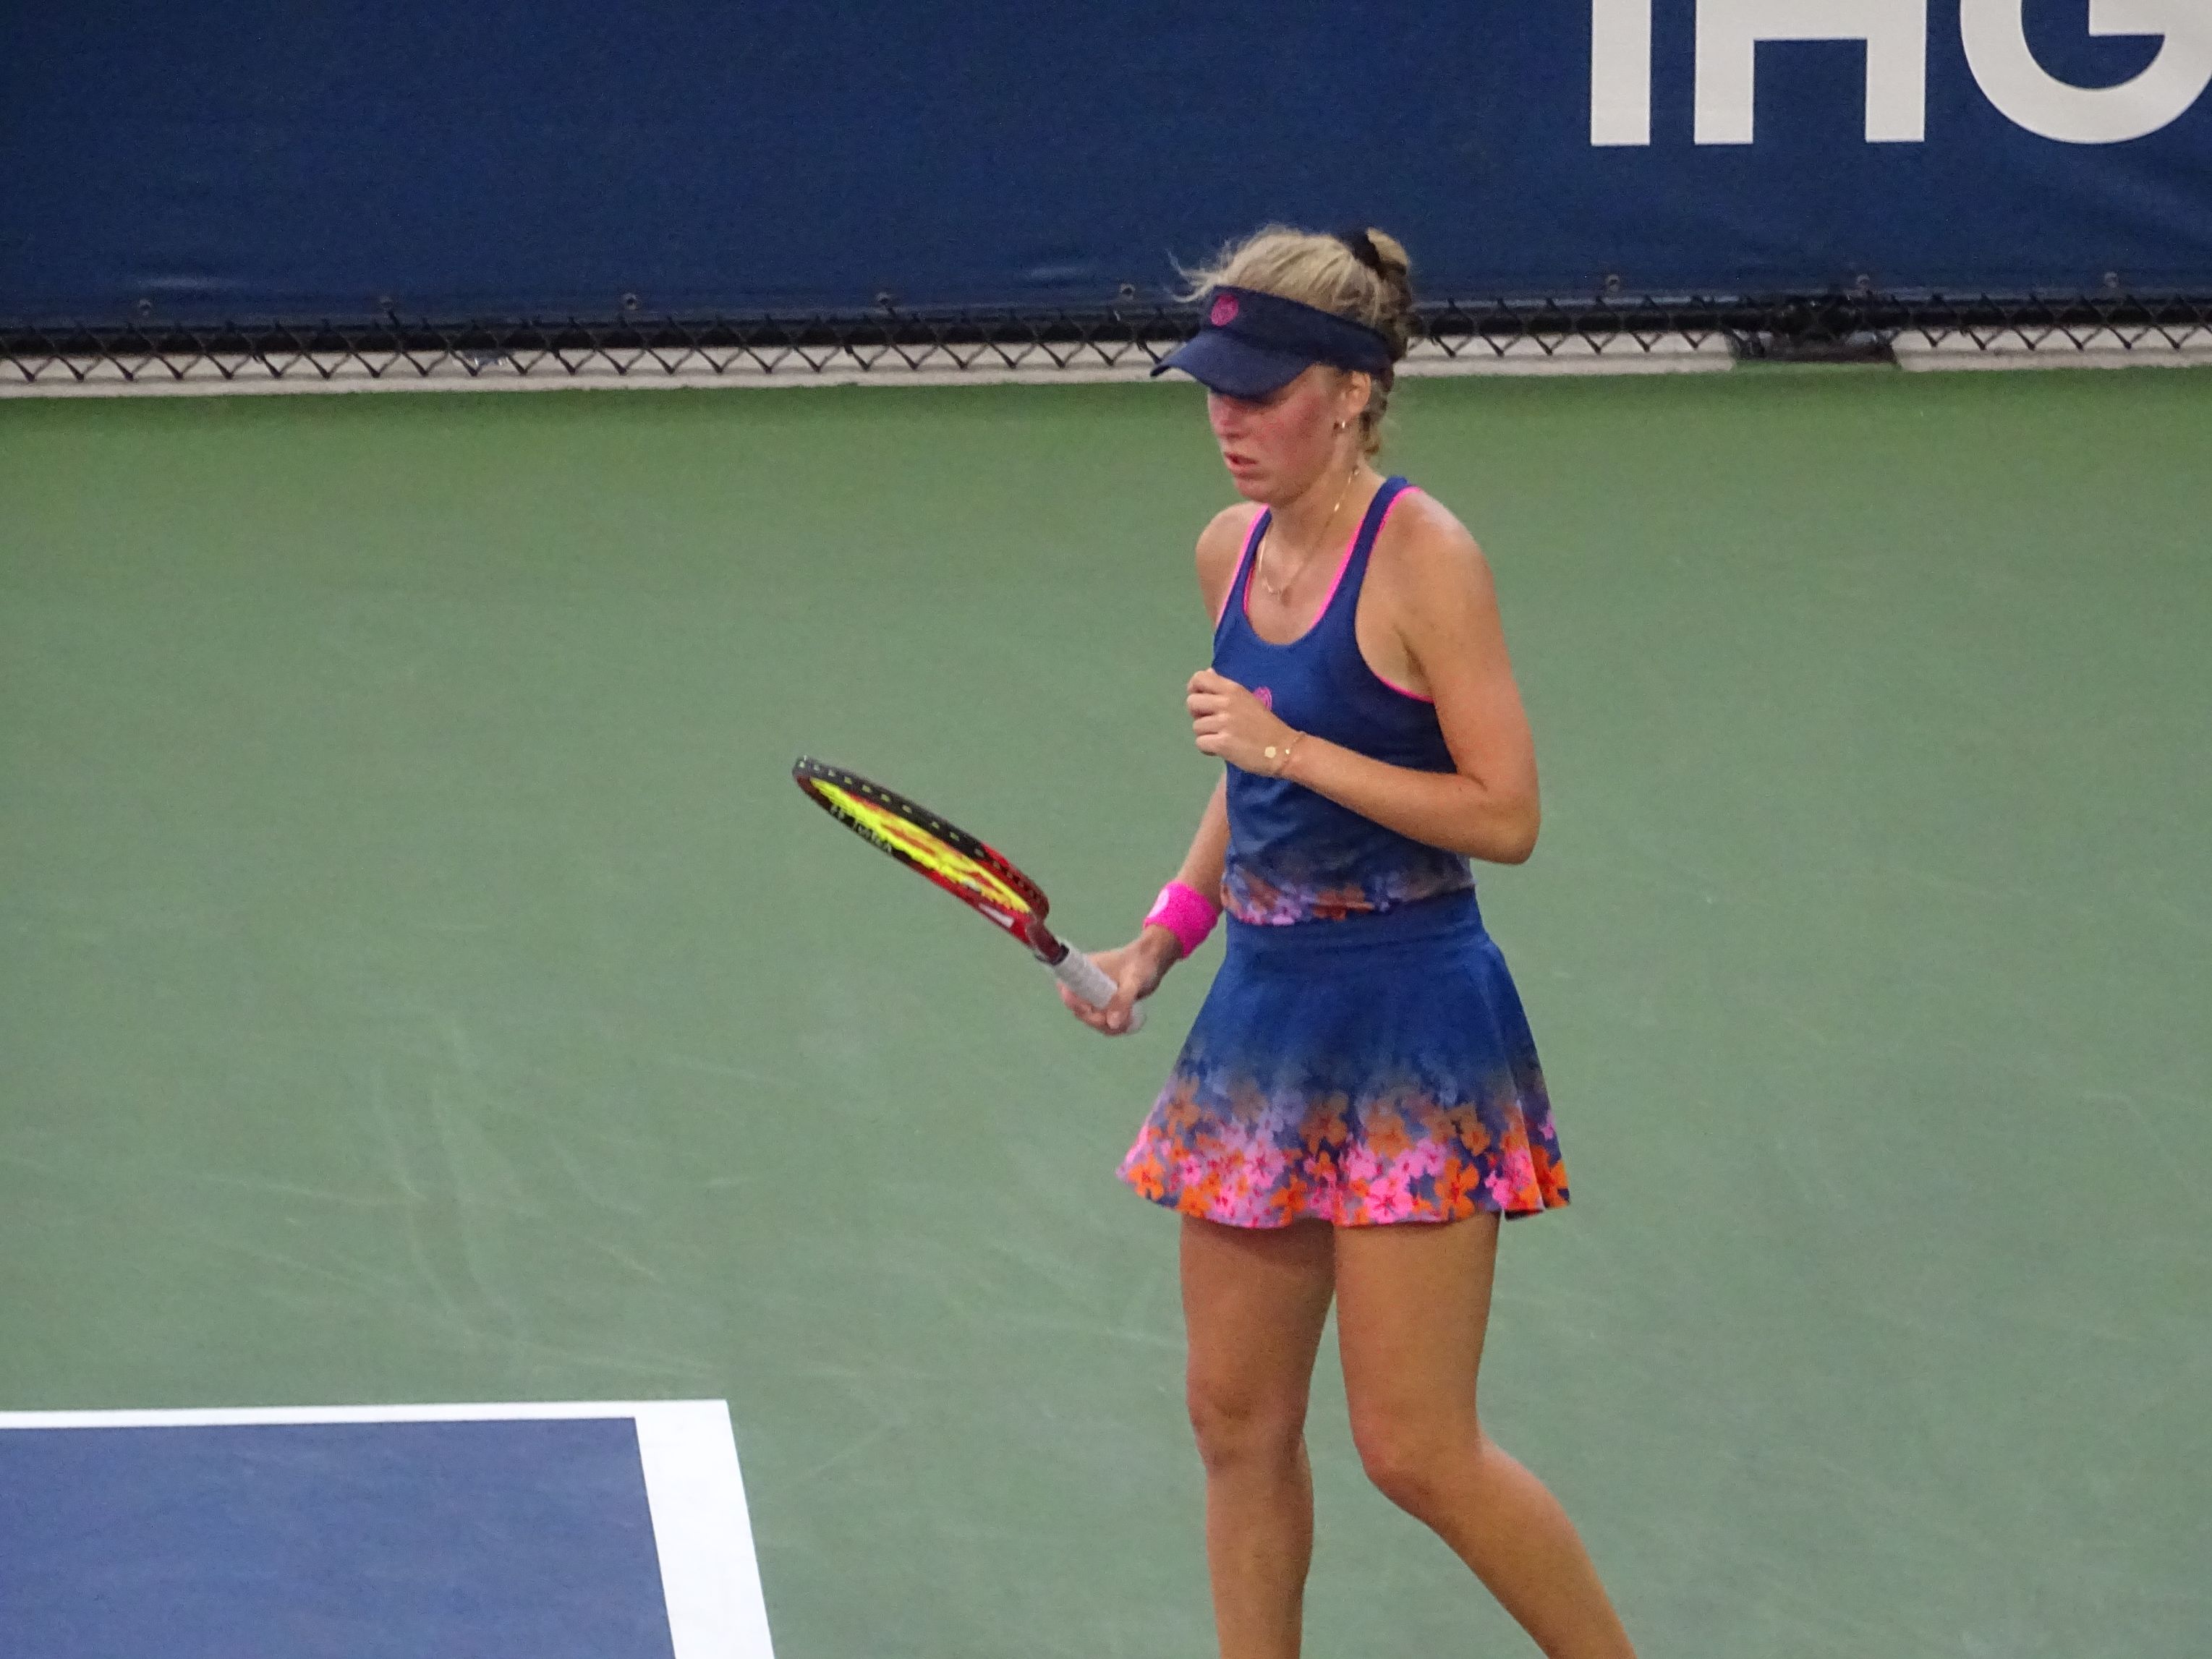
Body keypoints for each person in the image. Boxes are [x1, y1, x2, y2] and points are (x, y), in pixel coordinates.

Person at [1058, 226, 1637, 1659]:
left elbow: (1504, 813)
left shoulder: (1427, 559)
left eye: (1261, 393)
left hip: (1410, 1020)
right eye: (1214, 389)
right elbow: (1245, 784)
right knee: (1233, 1418)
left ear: (1353, 392)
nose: (1227, 421)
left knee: (1414, 1449)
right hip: (1261, 1014)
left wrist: (1293, 749)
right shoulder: (1229, 549)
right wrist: (1161, 937)